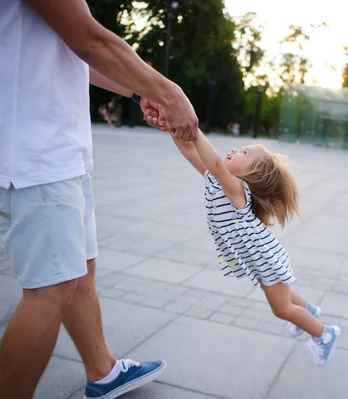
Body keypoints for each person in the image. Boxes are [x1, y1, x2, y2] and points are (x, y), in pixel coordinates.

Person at [0, 0, 198, 398]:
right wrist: (168, 91)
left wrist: (139, 88)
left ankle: (102, 371)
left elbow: (74, 51)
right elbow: (89, 39)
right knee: (50, 289)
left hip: (58, 148)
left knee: (79, 268)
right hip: (36, 151)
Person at [168, 128, 342, 367]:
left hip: (265, 258)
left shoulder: (237, 190)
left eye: (244, 152)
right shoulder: (217, 181)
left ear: (253, 175)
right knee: (277, 291)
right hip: (258, 258)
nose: (235, 150)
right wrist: (174, 127)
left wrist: (194, 130)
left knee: (281, 309)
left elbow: (216, 163)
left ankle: (324, 333)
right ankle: (307, 310)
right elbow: (189, 151)